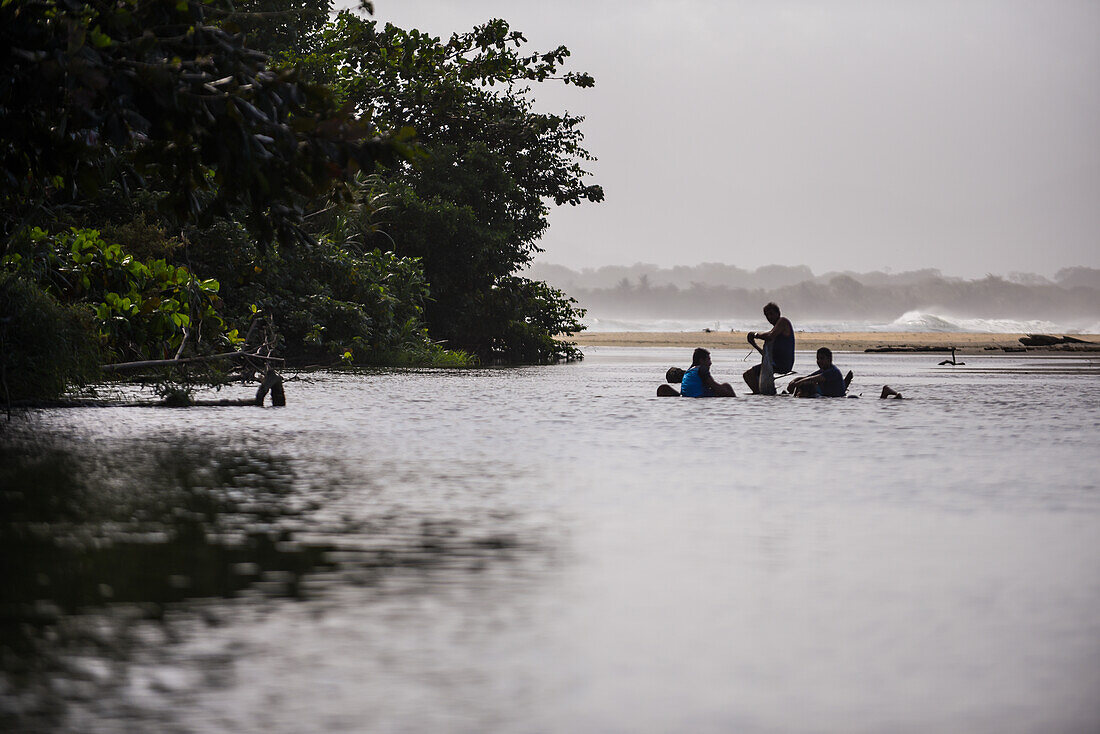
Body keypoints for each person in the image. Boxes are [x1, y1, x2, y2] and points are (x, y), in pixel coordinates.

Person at [743, 302, 795, 394]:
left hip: (782, 364)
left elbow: (770, 336)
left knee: (749, 375)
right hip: (774, 363)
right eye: (767, 315)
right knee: (749, 375)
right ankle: (763, 394)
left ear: (778, 313)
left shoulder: (783, 322)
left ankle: (760, 394)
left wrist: (755, 335)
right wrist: (755, 345)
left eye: (771, 314)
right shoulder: (775, 330)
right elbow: (766, 356)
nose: (769, 317)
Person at [657, 348, 736, 397]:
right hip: (699, 396)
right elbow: (715, 386)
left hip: (687, 397)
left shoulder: (689, 371)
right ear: (701, 360)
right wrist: (731, 396)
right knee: (726, 386)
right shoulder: (702, 370)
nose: (710, 363)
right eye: (708, 359)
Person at [786, 347, 851, 398]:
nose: (819, 361)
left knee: (809, 385)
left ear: (829, 359)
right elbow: (807, 377)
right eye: (818, 359)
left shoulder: (833, 372)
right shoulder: (823, 370)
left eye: (822, 358)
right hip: (825, 395)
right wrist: (794, 381)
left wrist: (796, 384)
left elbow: (812, 379)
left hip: (835, 397)